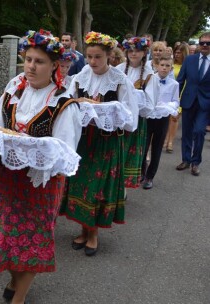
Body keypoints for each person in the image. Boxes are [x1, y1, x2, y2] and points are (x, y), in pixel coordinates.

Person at [0, 29, 82, 304]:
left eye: (38, 61)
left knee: (29, 239)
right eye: (28, 59)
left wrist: (31, 148)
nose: (30, 66)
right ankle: (16, 279)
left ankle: (20, 297)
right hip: (7, 177)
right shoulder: (13, 91)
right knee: (3, 232)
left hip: (40, 182)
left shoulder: (63, 102)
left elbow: (65, 152)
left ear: (54, 65)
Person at [60, 31, 138, 256]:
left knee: (96, 189)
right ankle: (84, 230)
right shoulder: (81, 77)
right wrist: (78, 102)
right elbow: (65, 101)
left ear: (109, 56)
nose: (92, 62)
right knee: (81, 186)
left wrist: (106, 111)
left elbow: (130, 119)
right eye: (89, 56)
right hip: (83, 141)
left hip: (106, 143)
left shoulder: (119, 80)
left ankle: (93, 234)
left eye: (98, 57)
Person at [116, 36, 158, 189]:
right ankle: (114, 184)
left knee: (129, 154)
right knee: (116, 153)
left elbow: (149, 105)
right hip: (118, 119)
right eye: (130, 51)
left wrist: (135, 102)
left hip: (136, 120)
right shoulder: (119, 69)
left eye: (137, 51)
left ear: (144, 53)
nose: (133, 54)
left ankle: (124, 187)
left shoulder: (149, 74)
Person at [141, 57, 179, 189]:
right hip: (148, 117)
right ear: (156, 66)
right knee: (143, 147)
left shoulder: (174, 84)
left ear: (171, 68)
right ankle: (141, 172)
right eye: (162, 65)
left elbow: (175, 101)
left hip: (162, 118)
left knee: (157, 148)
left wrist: (167, 106)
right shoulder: (149, 79)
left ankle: (150, 176)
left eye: (167, 65)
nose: (164, 68)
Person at [175, 32, 210, 176]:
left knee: (199, 131)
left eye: (208, 43)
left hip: (206, 103)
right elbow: (180, 80)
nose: (205, 46)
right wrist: (174, 101)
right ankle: (186, 160)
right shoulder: (189, 60)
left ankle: (196, 162)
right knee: (187, 132)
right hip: (188, 100)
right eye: (202, 43)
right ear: (199, 44)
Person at [164, 43, 189, 153]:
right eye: (176, 52)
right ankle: (164, 139)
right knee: (166, 117)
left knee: (174, 118)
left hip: (180, 93)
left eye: (180, 52)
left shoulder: (187, 65)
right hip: (168, 93)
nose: (177, 54)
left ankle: (170, 142)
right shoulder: (170, 64)